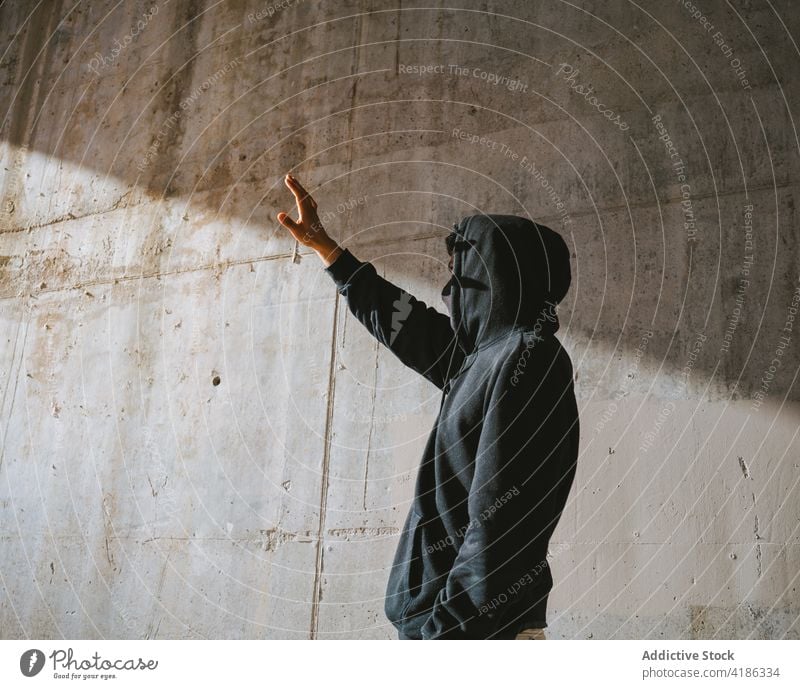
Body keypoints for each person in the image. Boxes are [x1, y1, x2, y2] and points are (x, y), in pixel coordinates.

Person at [277, 173, 579, 640]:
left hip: (473, 635)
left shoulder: (527, 357)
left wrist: (443, 637)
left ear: (499, 278)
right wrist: (329, 251)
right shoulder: (477, 360)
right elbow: (403, 322)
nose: (450, 291)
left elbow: (503, 525)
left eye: (463, 277)